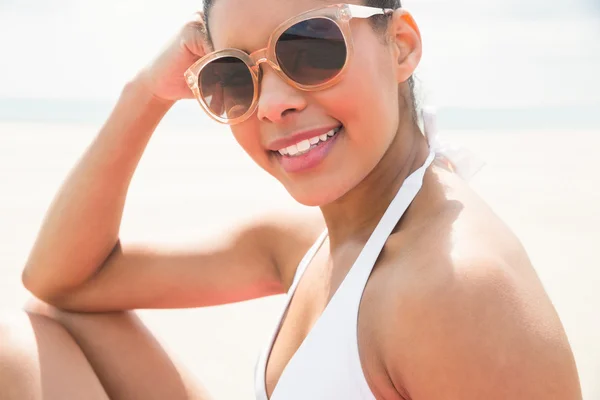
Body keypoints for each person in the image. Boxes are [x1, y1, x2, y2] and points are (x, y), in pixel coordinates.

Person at [0, 0, 582, 399]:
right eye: (232, 76)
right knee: (30, 336)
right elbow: (62, 281)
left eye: (311, 49)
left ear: (401, 46)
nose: (273, 102)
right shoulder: (312, 244)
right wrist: (147, 92)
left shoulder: (451, 288)